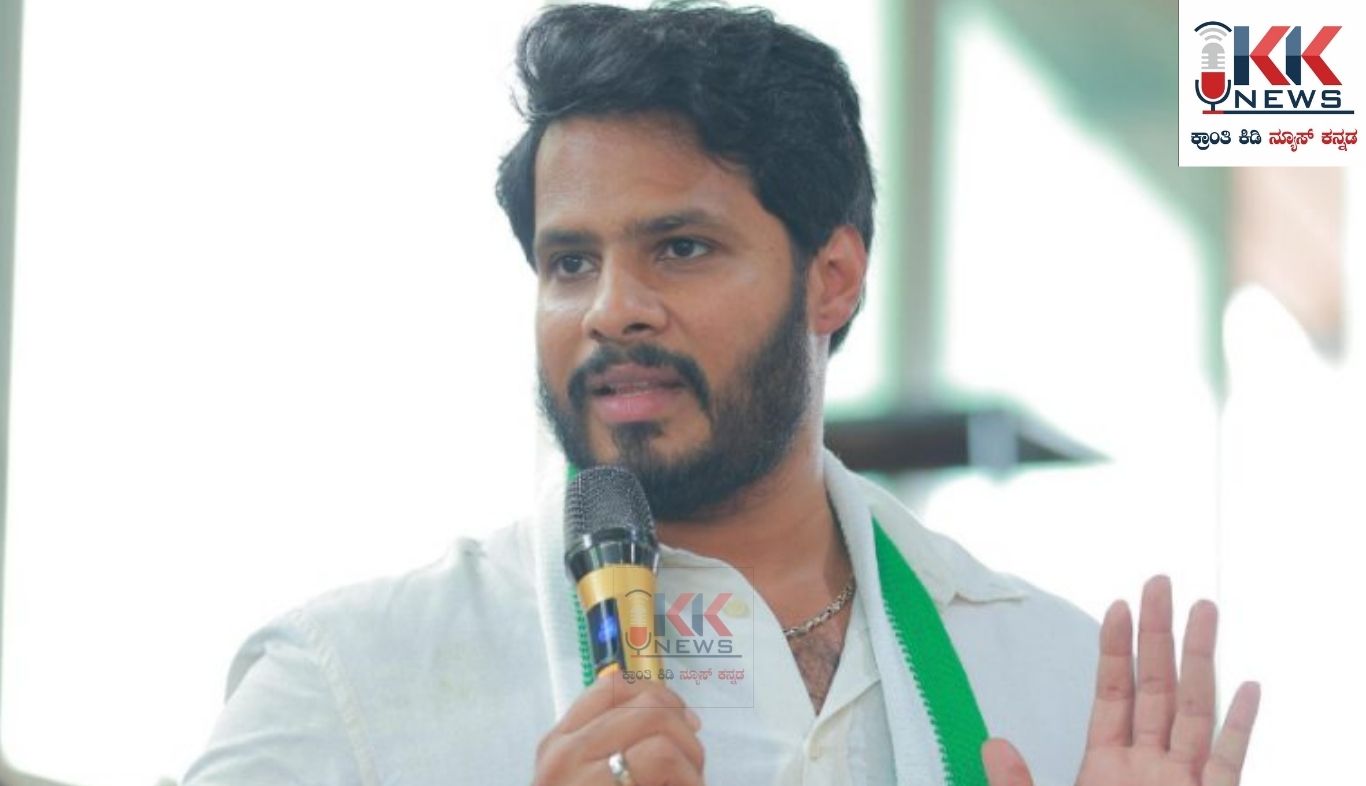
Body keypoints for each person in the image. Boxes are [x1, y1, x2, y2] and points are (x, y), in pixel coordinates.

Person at [182, 4, 1259, 785]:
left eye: (681, 247)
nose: (612, 310)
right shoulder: (350, 685)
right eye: (569, 263)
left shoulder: (1059, 684)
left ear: (831, 278)